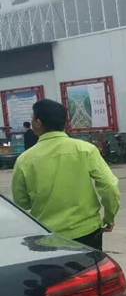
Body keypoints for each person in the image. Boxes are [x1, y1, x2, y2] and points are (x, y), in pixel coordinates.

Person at [12, 100, 119, 251]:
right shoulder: (85, 149)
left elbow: (21, 203)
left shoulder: (24, 160)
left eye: (32, 118)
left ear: (38, 122)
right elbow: (109, 185)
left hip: (47, 237)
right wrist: (109, 217)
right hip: (87, 231)